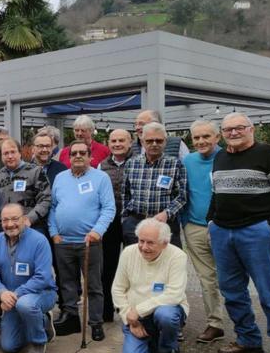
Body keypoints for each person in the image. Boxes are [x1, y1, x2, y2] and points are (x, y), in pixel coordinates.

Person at [208, 112, 270, 353]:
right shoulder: (220, 157)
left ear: (251, 129)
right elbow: (216, 194)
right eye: (227, 130)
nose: (233, 133)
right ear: (222, 134)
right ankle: (248, 339)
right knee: (232, 291)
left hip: (256, 232)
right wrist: (211, 221)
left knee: (269, 291)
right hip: (223, 232)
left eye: (239, 128)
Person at [49, 140, 116, 340]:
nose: (78, 156)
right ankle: (71, 318)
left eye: (82, 153)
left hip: (89, 241)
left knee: (93, 285)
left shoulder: (101, 178)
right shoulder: (60, 178)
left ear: (90, 156)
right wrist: (54, 232)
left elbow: (109, 208)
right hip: (63, 242)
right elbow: (53, 207)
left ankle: (95, 323)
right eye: (74, 153)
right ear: (69, 158)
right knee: (67, 283)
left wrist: (98, 231)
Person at [111, 219, 187, 353]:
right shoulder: (128, 253)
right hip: (135, 317)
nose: (144, 247)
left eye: (151, 243)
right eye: (141, 241)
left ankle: (170, 349)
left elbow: (174, 294)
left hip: (165, 310)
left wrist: (138, 310)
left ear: (164, 243)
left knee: (166, 315)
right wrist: (129, 318)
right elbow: (118, 289)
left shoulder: (177, 256)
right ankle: (153, 340)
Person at [0, 204, 57, 353]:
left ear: (24, 219)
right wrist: (1, 292)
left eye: (15, 219)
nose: (10, 224)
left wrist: (16, 295)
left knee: (25, 304)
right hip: (11, 298)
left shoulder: (39, 240)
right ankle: (41, 321)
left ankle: (38, 341)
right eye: (5, 220)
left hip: (41, 294)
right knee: (9, 347)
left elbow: (43, 277)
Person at [182, 120, 226, 343]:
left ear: (217, 137)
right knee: (207, 278)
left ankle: (245, 323)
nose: (201, 141)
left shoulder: (228, 158)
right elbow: (182, 191)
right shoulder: (188, 161)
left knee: (230, 277)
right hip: (195, 227)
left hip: (224, 228)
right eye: (197, 137)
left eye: (206, 136)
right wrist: (184, 223)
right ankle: (215, 323)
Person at [122, 122, 187, 248]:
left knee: (166, 262)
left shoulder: (175, 164)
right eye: (150, 140)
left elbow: (182, 196)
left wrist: (166, 213)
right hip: (136, 222)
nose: (154, 144)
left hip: (165, 223)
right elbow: (126, 193)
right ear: (142, 141)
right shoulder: (131, 163)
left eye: (159, 140)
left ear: (165, 141)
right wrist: (125, 219)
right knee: (136, 262)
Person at [99, 129, 132, 322]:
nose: (117, 144)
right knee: (108, 266)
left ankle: (130, 309)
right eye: (113, 140)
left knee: (131, 266)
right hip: (110, 222)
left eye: (121, 140)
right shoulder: (101, 165)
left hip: (131, 220)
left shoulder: (137, 162)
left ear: (130, 143)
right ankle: (106, 309)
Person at [0, 138, 51, 233]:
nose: (10, 156)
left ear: (20, 153)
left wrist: (30, 218)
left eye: (13, 152)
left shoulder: (35, 171)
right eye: (6, 153)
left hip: (32, 227)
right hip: (7, 229)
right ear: (1, 156)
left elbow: (46, 200)